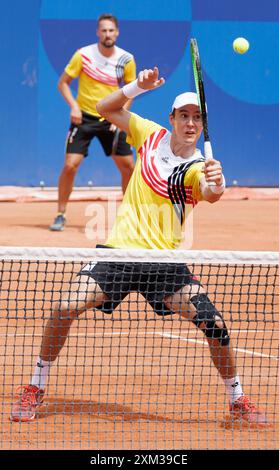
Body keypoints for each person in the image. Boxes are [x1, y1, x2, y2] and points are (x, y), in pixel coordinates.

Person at [11, 67, 268, 428]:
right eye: (184, 116)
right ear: (172, 119)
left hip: (164, 264)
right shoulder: (150, 135)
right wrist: (136, 87)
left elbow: (210, 194)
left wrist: (218, 183)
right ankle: (36, 387)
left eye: (197, 117)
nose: (190, 123)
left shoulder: (196, 168)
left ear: (202, 123)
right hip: (118, 254)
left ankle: (237, 399)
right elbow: (104, 107)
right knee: (63, 306)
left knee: (215, 325)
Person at [49, 13, 136, 231]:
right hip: (84, 117)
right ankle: (60, 213)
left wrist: (122, 116)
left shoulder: (127, 59)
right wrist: (74, 106)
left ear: (117, 32)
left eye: (111, 30)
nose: (107, 34)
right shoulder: (83, 55)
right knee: (70, 166)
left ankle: (127, 217)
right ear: (98, 32)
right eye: (103, 30)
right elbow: (63, 83)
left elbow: (131, 91)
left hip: (113, 117)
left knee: (129, 166)